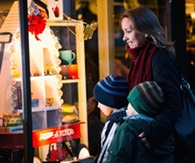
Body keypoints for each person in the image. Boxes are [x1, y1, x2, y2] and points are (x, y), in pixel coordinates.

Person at [120, 6, 182, 161]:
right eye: (123, 32)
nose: (124, 38)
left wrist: (149, 133)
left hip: (156, 147)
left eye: (128, 31)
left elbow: (173, 105)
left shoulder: (159, 59)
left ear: (145, 30)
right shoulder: (138, 59)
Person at [107, 81, 175, 163]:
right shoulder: (163, 131)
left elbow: (117, 158)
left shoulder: (127, 129)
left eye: (130, 102)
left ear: (136, 106)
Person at [93, 75, 129, 163]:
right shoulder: (129, 117)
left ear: (110, 102)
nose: (98, 106)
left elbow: (105, 155)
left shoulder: (114, 124)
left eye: (100, 101)